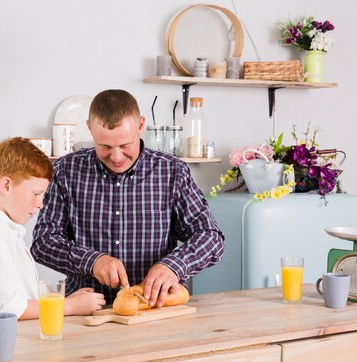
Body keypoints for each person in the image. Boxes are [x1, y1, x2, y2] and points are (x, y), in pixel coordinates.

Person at [31, 90, 224, 307]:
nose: (116, 157)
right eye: (104, 146)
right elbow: (43, 242)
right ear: (89, 128)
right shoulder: (65, 171)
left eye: (125, 145)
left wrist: (174, 266)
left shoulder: (172, 172)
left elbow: (210, 237)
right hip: (84, 312)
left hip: (155, 310)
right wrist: (91, 261)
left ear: (141, 125)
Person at [0, 137, 106, 321]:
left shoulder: (3, 228)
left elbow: (21, 298)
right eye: (37, 194)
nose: (41, 204)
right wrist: (69, 306)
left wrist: (64, 300)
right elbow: (6, 307)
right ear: (6, 185)